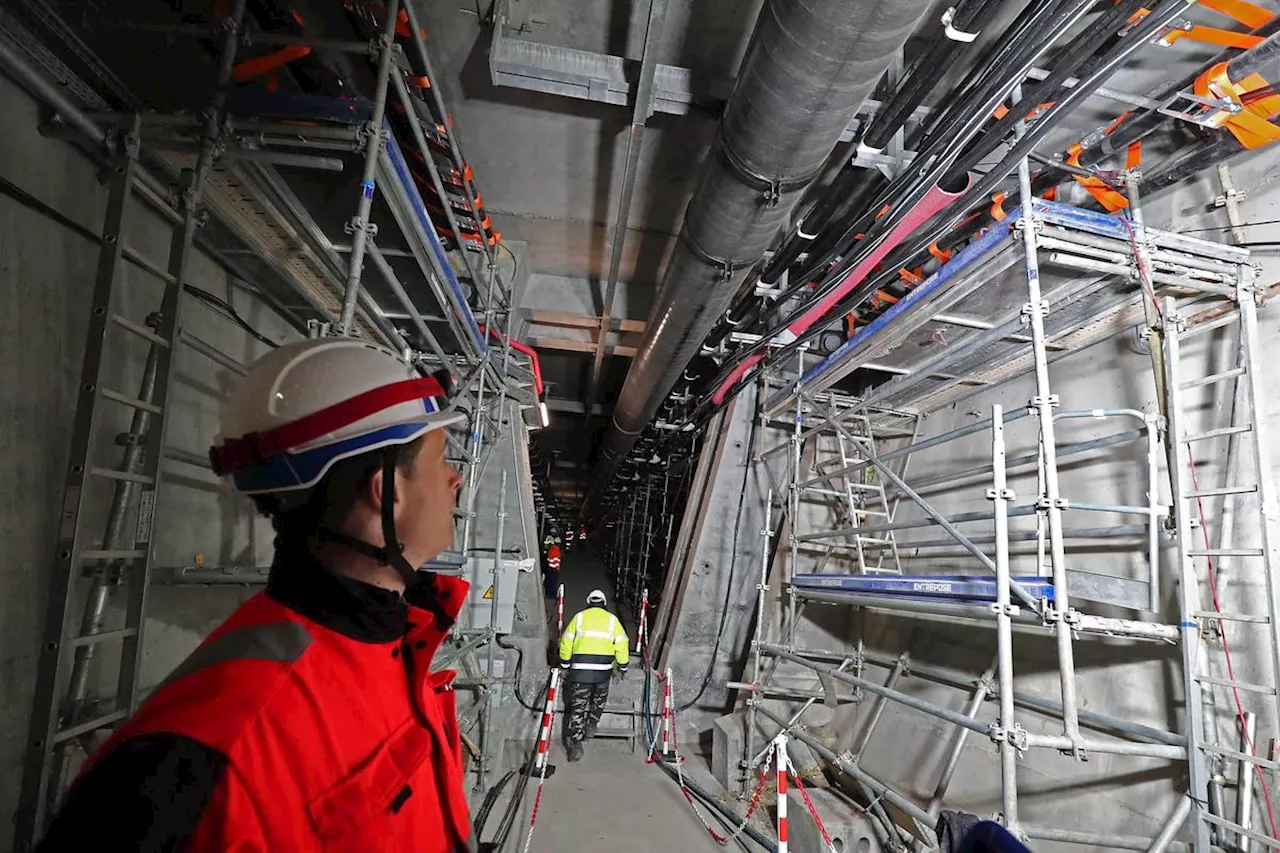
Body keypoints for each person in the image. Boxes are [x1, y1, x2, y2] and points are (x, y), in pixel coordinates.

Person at [37, 339, 475, 852]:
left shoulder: (396, 647)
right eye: (440, 458)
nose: (455, 478)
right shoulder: (181, 773)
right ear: (386, 491)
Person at [557, 589, 629, 762]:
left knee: (578, 707)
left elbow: (566, 642)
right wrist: (623, 667)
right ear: (604, 604)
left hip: (580, 671)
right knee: (599, 699)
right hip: (603, 671)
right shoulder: (612, 620)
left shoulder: (579, 618)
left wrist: (565, 665)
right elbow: (622, 644)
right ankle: (592, 723)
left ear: (589, 602)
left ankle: (576, 743)